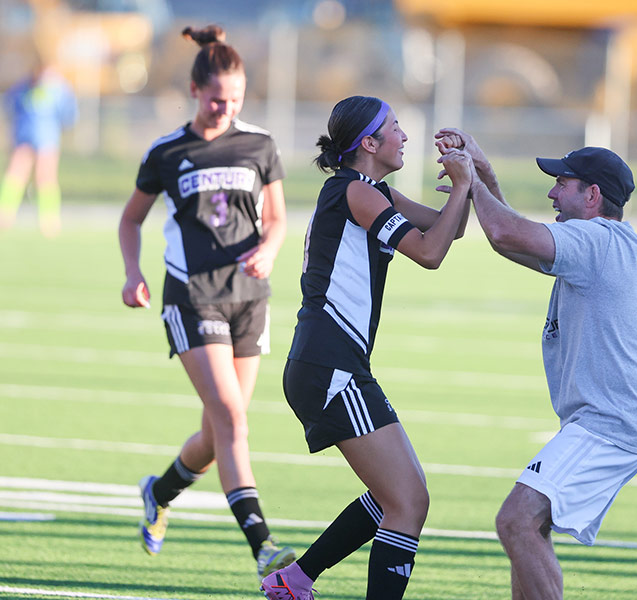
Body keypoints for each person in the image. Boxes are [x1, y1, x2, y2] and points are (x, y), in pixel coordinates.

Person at [433, 128, 637, 600]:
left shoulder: (596, 240)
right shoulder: (601, 242)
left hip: (609, 425)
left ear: (592, 195)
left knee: (515, 521)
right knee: (529, 529)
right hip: (601, 422)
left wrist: (470, 181)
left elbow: (503, 230)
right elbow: (511, 241)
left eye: (563, 183)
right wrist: (485, 174)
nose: (552, 192)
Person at [259, 96, 471, 600]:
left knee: (395, 495)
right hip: (329, 365)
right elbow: (430, 252)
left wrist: (471, 178)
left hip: (332, 364)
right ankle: (296, 581)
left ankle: (295, 580)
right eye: (395, 128)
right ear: (369, 144)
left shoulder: (371, 192)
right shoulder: (356, 192)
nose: (404, 136)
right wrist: (463, 186)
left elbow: (451, 227)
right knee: (409, 502)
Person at [118, 25, 294, 582]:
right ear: (195, 91)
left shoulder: (260, 144)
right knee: (231, 420)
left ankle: (160, 490)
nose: (226, 108)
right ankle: (262, 544)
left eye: (236, 100)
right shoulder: (168, 151)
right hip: (192, 296)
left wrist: (269, 248)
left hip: (250, 299)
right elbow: (131, 218)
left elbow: (279, 219)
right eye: (218, 98)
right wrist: (131, 273)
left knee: (221, 435)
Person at [0, 60, 77, 237]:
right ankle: (5, 213)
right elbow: (10, 105)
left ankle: (49, 219)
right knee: (15, 174)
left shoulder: (58, 89)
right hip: (24, 137)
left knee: (46, 177)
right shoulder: (24, 87)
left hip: (47, 139)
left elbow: (69, 114)